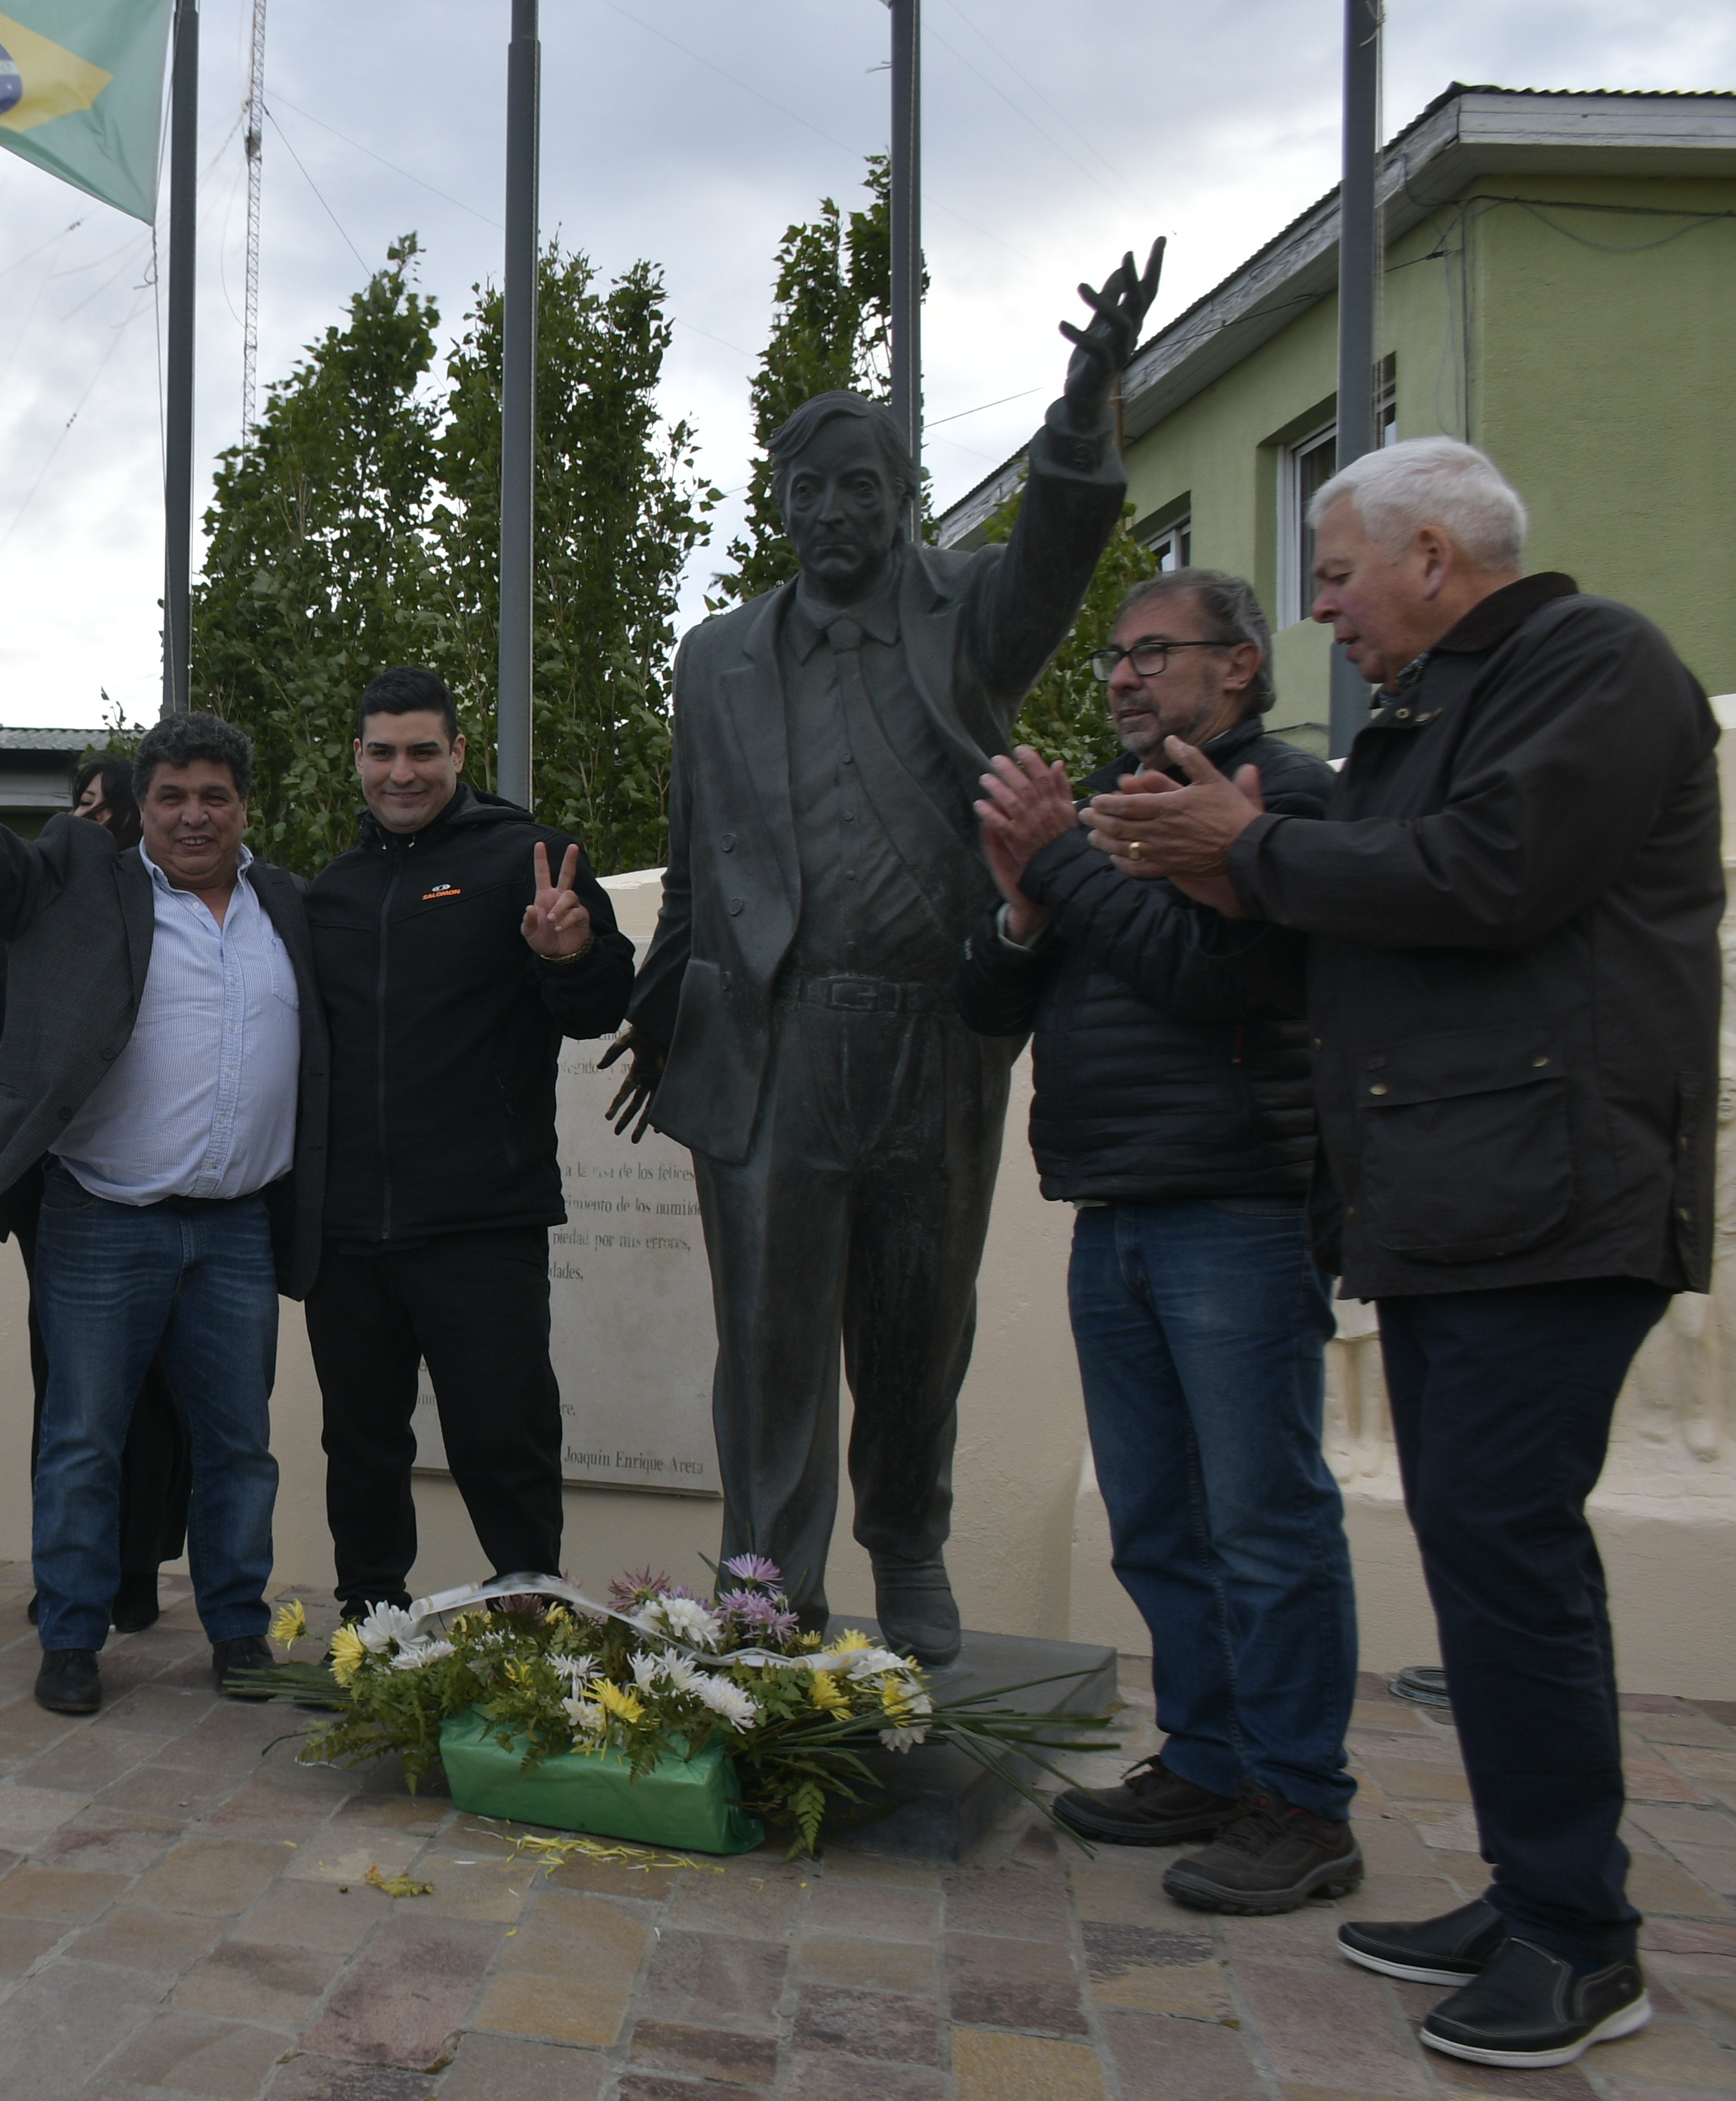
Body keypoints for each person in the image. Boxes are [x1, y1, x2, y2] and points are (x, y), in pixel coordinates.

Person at [1083, 437, 1719, 2071]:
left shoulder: (1596, 667)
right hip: (1453, 1210)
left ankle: (1580, 1944)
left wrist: (1252, 852)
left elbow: (1487, 877)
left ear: (1437, 553)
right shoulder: (1431, 715)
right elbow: (1348, 934)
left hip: (1549, 1201)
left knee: (1510, 1567)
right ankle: (1534, 1894)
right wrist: (1224, 884)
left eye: (1338, 569)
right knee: (1488, 1561)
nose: (1322, 607)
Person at [613, 243, 1166, 1662]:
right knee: (773, 1338)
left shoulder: (966, 617)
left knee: (918, 1320)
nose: (836, 508)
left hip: (933, 1029)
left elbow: (1058, 540)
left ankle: (905, 1546)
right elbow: (699, 862)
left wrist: (1085, 402)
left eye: (863, 483)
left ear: (902, 496)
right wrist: (661, 1004)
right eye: (810, 486)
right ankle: (764, 1580)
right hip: (774, 1036)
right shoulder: (715, 655)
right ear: (778, 503)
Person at [948, 575, 1360, 1914]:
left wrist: (1063, 861)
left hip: (1235, 1206)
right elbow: (985, 1002)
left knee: (1264, 1519)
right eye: (1116, 659)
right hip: (1113, 1204)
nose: (1123, 679)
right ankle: (1203, 1754)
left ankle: (1298, 1800)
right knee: (1158, 1522)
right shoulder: (1112, 820)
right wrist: (1024, 904)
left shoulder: (1276, 805)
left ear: (1239, 667)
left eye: (1154, 654)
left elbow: (1215, 975)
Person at [0, 632, 327, 1718]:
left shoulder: (288, 907)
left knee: (239, 1447)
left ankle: (238, 1633)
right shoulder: (74, 884)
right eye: (170, 797)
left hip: (239, 1227)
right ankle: (71, 1636)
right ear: (140, 808)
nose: (193, 814)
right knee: (84, 1441)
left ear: (246, 804)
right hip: (102, 1221)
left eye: (214, 794)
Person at [303, 667, 633, 1615]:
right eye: (381, 752)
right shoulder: (334, 890)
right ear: (357, 759)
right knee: (361, 1445)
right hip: (348, 1235)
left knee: (505, 1435)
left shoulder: (530, 860)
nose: (400, 772)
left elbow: (601, 1007)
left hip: (484, 1222)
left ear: (458, 753)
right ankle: (369, 1626)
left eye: (421, 751)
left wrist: (568, 953)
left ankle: (530, 1616)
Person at [0, 755, 193, 1635]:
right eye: (79, 810)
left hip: (166, 1184)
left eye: (105, 813)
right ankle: (69, 1569)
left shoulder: (175, 910)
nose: (87, 826)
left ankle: (137, 1566)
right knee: (70, 1387)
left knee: (160, 1389)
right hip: (57, 1178)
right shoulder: (51, 895)